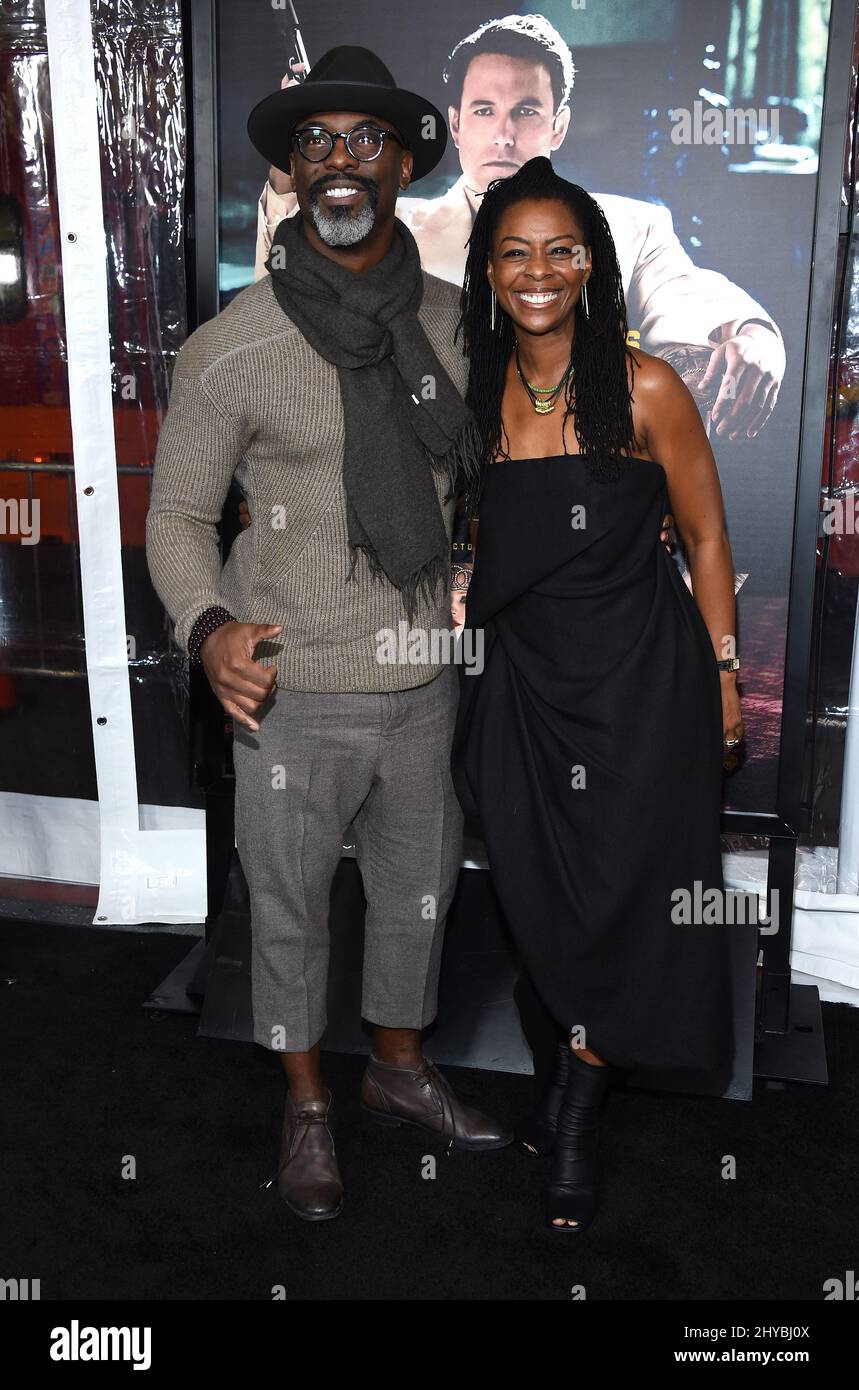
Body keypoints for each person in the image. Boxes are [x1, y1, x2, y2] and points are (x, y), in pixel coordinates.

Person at [146, 45, 513, 1226]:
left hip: (424, 682)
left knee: (418, 894)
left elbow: (500, 471)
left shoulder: (465, 325)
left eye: (364, 140)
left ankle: (396, 1070)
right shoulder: (231, 344)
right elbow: (177, 516)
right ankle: (307, 1102)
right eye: (315, 143)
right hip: (290, 687)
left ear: (406, 160)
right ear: (291, 173)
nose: (339, 162)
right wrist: (206, 630)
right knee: (292, 904)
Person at [451, 156, 743, 1233]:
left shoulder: (647, 386)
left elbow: (708, 537)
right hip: (522, 694)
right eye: (515, 252)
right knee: (538, 897)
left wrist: (721, 675)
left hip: (640, 689)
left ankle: (574, 1111)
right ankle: (568, 1054)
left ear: (591, 264)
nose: (538, 272)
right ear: (488, 268)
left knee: (629, 895)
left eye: (559, 250)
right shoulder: (475, 395)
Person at [255, 13, 784, 443]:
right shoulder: (394, 233)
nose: (504, 135)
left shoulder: (632, 227)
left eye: (526, 111)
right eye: (485, 111)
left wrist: (752, 335)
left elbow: (692, 299)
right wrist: (289, 168)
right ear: (457, 123)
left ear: (559, 125)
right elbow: (286, 305)